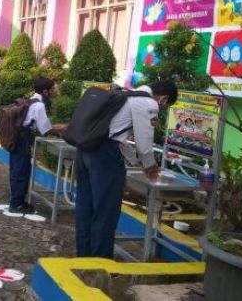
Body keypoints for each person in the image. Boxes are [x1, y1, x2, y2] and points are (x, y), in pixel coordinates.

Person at [75, 80, 178, 258]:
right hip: (105, 158)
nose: (161, 109)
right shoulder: (148, 103)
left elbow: (116, 136)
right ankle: (100, 263)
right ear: (164, 99)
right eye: (165, 106)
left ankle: (84, 257)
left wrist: (137, 162)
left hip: (85, 151)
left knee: (86, 207)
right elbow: (144, 142)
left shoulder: (123, 95)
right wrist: (150, 166)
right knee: (105, 212)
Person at [9, 77, 66, 214]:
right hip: (23, 139)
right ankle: (16, 204)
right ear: (45, 91)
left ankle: (17, 201)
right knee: (22, 171)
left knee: (17, 169)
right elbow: (45, 129)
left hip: (17, 137)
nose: (54, 91)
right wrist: (63, 128)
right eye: (52, 89)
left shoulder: (31, 99)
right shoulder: (39, 105)